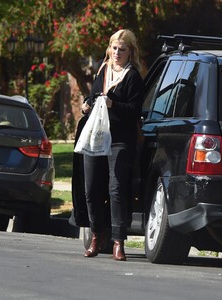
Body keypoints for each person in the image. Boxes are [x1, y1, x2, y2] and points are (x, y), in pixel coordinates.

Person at [81, 29, 144, 261]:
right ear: (109, 48)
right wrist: (86, 105)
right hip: (97, 136)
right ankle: (97, 236)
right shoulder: (102, 70)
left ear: (131, 52)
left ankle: (118, 241)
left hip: (119, 140)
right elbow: (92, 96)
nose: (117, 53)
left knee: (116, 188)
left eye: (122, 49)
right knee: (91, 189)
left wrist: (112, 104)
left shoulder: (133, 77)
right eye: (114, 48)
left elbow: (134, 111)